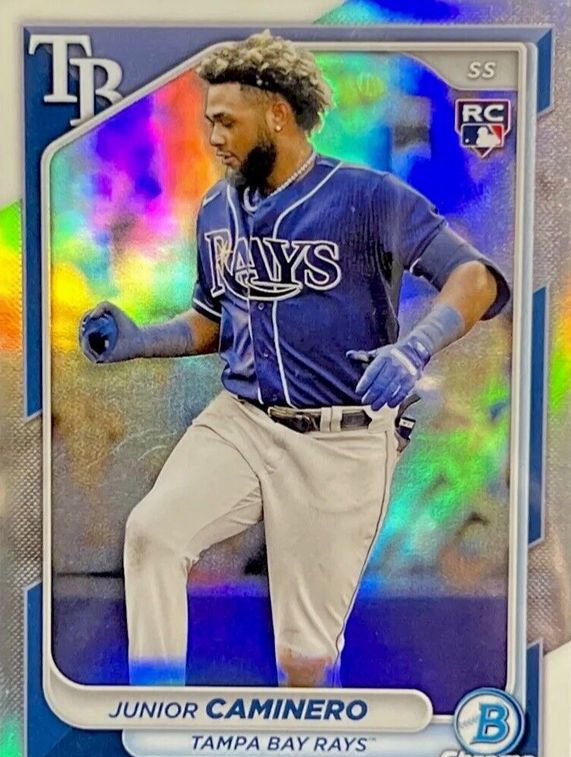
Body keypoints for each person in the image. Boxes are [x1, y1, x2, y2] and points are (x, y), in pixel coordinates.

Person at [79, 30, 510, 689]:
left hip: (340, 434)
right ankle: (158, 716)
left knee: (306, 660)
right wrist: (140, 341)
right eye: (209, 122)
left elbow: (474, 278)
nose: (214, 137)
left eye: (227, 121)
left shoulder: (369, 197)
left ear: (277, 113)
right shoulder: (217, 208)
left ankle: (315, 748)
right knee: (152, 535)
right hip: (243, 419)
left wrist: (415, 346)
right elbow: (213, 322)